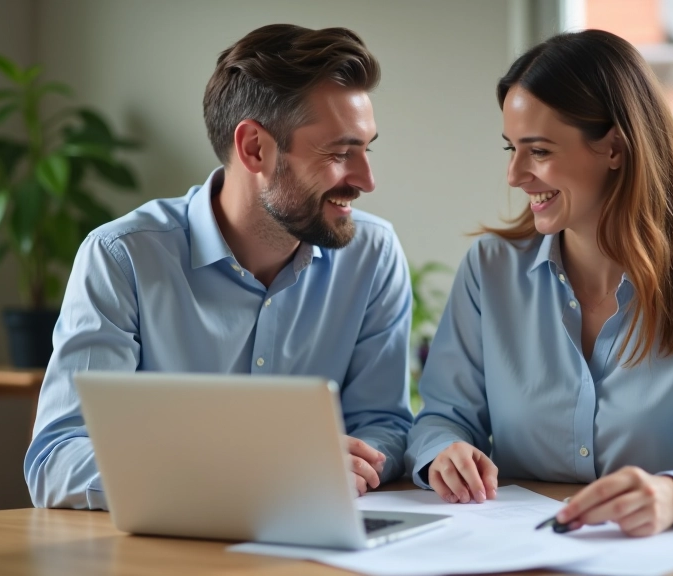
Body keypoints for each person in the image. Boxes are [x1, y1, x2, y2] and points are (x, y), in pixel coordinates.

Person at [405, 29, 673, 537]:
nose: (514, 174)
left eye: (539, 151)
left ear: (615, 148)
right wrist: (444, 453)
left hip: (662, 554)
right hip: (517, 552)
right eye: (511, 148)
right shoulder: (490, 269)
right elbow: (440, 417)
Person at [25, 24, 414, 509]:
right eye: (338, 153)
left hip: (321, 542)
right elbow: (57, 459)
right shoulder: (122, 257)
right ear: (254, 148)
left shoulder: (372, 256)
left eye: (366, 148)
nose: (367, 180)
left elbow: (384, 423)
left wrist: (352, 464)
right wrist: (257, 471)